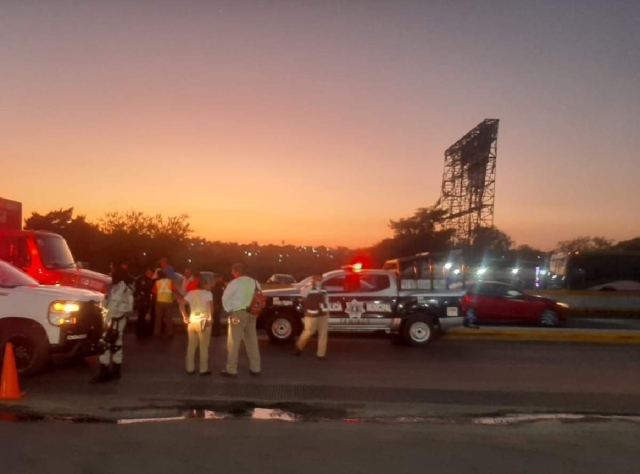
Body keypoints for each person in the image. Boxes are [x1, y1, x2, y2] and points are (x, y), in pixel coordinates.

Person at [92, 267, 134, 383]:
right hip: (117, 321)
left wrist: (106, 319)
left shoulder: (120, 289)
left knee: (104, 345)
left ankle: (104, 372)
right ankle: (116, 370)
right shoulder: (122, 288)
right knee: (117, 345)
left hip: (113, 321)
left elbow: (113, 307)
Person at [220, 263, 261, 377]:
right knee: (252, 341)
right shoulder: (254, 282)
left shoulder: (234, 283)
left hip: (238, 313)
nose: (232, 274)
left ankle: (231, 369)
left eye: (233, 272)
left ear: (236, 271)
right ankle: (255, 367)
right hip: (252, 314)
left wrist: (229, 309)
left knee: (234, 342)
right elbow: (259, 296)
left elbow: (225, 298)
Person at [179, 275, 214, 375]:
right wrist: (210, 318)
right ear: (204, 284)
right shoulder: (208, 294)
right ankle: (203, 369)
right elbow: (209, 306)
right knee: (204, 347)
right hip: (203, 322)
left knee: (191, 346)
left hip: (192, 321)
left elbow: (181, 303)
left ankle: (190, 368)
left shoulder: (191, 293)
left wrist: (184, 316)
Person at [295, 275, 330, 360]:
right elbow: (303, 295)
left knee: (323, 334)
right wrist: (312, 286)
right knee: (309, 332)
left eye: (321, 279)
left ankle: (321, 354)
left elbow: (326, 299)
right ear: (314, 278)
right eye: (318, 278)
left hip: (323, 314)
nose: (320, 280)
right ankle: (299, 347)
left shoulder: (323, 288)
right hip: (311, 314)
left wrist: (327, 309)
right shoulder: (308, 287)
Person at [152, 269, 180, 338]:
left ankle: (156, 333)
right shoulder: (170, 282)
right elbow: (175, 290)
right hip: (168, 301)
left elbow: (154, 292)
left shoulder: (157, 282)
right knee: (169, 318)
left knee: (158, 318)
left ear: (158, 276)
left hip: (159, 301)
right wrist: (180, 295)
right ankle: (169, 333)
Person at [134, 268, 155, 338]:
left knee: (141, 315)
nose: (152, 275)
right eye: (151, 273)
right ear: (148, 272)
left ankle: (140, 331)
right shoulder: (146, 280)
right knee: (142, 315)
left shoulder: (140, 278)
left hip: (142, 299)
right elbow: (146, 290)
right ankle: (142, 331)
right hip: (144, 299)